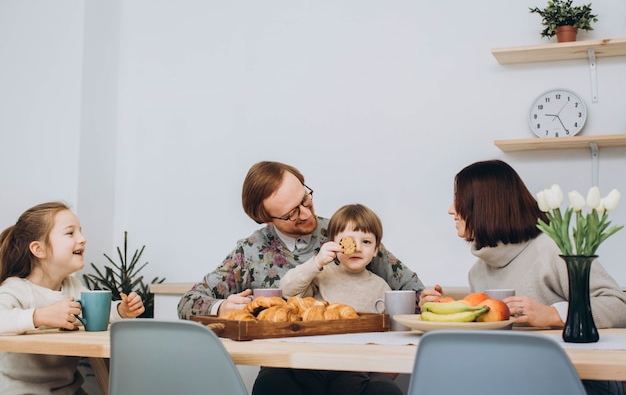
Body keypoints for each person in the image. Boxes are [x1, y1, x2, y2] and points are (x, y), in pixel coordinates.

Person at [177, 161, 423, 395]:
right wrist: (221, 307)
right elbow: (188, 302)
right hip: (286, 367)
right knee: (272, 387)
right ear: (266, 218)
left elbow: (410, 288)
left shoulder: (345, 231)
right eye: (291, 213)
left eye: (305, 198)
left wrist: (426, 299)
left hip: (353, 363)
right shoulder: (250, 252)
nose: (306, 214)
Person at [419, 159, 626, 395]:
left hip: (581, 379)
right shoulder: (478, 271)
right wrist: (449, 308)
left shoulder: (553, 248)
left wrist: (553, 315)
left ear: (487, 205)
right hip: (515, 379)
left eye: (460, 198)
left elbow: (618, 305)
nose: (451, 209)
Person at [0, 202, 145, 394]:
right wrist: (39, 316)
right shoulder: (16, 288)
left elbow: (97, 313)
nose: (83, 239)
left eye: (81, 232)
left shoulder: (72, 286)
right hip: (22, 390)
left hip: (69, 389)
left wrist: (121, 310)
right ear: (38, 249)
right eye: (70, 233)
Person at [279, 203, 402, 395]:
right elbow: (287, 290)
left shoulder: (381, 287)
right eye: (348, 241)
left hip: (354, 363)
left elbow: (390, 335)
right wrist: (317, 262)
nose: (357, 248)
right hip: (314, 360)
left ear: (376, 249)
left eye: (366, 242)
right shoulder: (321, 274)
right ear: (334, 244)